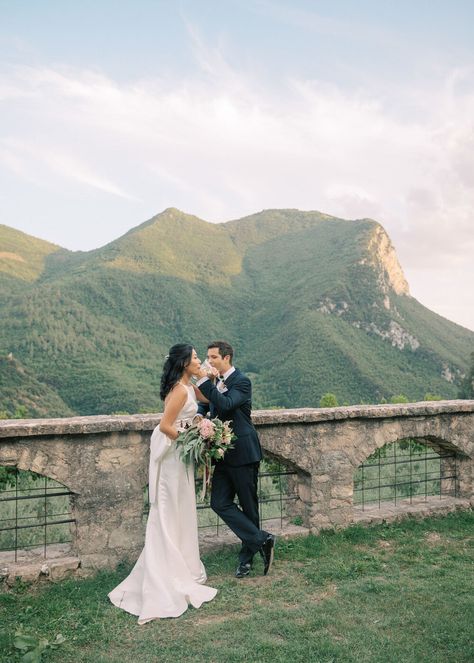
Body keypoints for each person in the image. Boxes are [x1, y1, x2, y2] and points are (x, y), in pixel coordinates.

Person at [108, 344, 217, 622]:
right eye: (194, 358)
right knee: (169, 510)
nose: (198, 361)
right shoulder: (180, 390)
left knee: (179, 509)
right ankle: (165, 571)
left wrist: (210, 381)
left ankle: (179, 562)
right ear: (183, 363)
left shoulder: (188, 387)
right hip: (172, 457)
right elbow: (166, 426)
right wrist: (194, 437)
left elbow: (205, 399)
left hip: (180, 458)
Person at [195, 340, 275, 578]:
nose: (209, 362)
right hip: (222, 455)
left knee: (250, 507)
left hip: (243, 453)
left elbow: (227, 404)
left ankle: (246, 560)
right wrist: (200, 415)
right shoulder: (215, 383)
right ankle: (262, 539)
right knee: (219, 502)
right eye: (207, 358)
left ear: (226, 358)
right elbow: (206, 403)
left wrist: (203, 382)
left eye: (213, 358)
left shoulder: (242, 381)